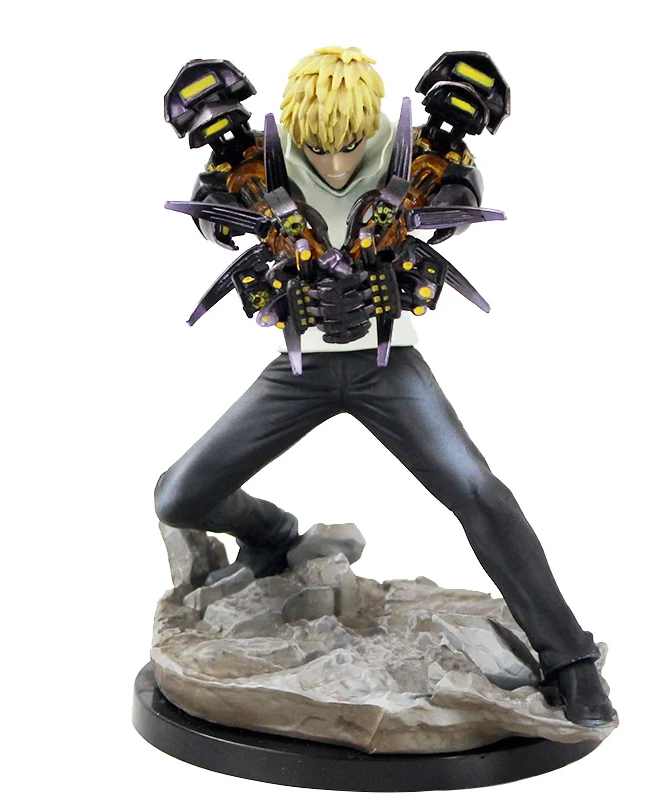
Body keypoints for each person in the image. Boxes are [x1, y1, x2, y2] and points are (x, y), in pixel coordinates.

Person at [155, 46, 616, 727]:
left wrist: (429, 213)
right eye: (319, 149)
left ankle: (569, 657)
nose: (336, 164)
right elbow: (213, 207)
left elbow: (457, 192)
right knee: (178, 494)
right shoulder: (259, 164)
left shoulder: (412, 161)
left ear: (369, 126)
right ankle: (273, 534)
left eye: (348, 146)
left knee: (478, 492)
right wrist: (238, 219)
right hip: (301, 369)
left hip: (387, 364)